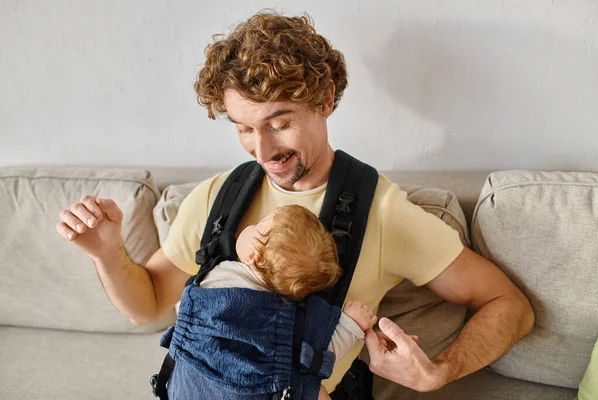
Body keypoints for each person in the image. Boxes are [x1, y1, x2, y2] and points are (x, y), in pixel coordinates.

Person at [56, 11, 535, 395]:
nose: (263, 152)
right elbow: (150, 305)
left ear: (325, 99)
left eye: (279, 122)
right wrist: (106, 252)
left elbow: (509, 304)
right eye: (245, 128)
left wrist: (440, 372)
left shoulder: (381, 212)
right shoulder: (219, 195)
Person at [183, 204, 380, 400]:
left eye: (258, 225)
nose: (250, 226)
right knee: (308, 384)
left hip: (189, 386)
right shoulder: (288, 321)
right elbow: (314, 360)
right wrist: (350, 324)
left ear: (255, 258)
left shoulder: (215, 273)